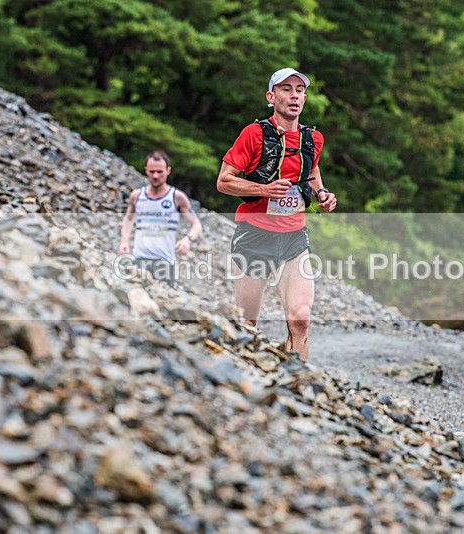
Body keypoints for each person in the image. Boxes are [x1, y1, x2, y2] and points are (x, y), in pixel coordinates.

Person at [216, 67, 337, 362]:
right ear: (271, 97)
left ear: (304, 99)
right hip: (254, 234)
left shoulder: (313, 138)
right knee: (248, 325)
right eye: (286, 89)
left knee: (300, 318)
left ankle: (299, 386)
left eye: (299, 90)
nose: (293, 95)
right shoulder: (254, 134)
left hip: (294, 236)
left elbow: (312, 170)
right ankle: (243, 381)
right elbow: (224, 181)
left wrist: (321, 194)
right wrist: (263, 190)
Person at [117, 151, 202, 286]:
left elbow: (196, 224)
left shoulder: (177, 197)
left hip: (165, 262)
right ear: (146, 170)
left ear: (168, 171)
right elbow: (128, 219)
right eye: (152, 172)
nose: (155, 176)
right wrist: (124, 241)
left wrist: (188, 239)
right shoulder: (137, 196)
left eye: (159, 172)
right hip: (140, 258)